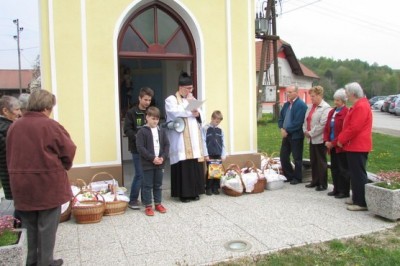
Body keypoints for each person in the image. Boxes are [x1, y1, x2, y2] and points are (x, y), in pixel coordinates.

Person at [6, 89, 76, 266]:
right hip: (47, 185)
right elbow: (69, 150)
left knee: (30, 227)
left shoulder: (14, 126)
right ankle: (46, 262)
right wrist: (63, 167)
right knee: (47, 228)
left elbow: (10, 155)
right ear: (46, 107)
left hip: (22, 186)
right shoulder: (50, 126)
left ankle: (32, 261)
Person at [165, 71, 206, 202]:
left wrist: (198, 114)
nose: (190, 90)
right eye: (188, 88)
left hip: (194, 139)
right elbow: (174, 113)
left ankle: (195, 191)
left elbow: (201, 114)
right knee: (184, 166)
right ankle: (184, 194)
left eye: (191, 88)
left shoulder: (192, 99)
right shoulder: (171, 99)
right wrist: (190, 110)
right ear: (181, 87)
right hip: (181, 140)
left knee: (194, 165)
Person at [337, 82, 372, 211]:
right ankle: (356, 196)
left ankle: (361, 202)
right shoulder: (358, 105)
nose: (346, 95)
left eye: (346, 93)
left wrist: (341, 139)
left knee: (358, 174)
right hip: (354, 146)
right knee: (354, 173)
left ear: (352, 93)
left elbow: (354, 127)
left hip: (358, 146)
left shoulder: (361, 106)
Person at [136, 106, 170, 216]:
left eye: (157, 119)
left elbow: (166, 145)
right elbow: (140, 148)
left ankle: (158, 203)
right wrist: (152, 158)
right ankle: (148, 206)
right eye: (152, 118)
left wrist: (162, 158)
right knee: (147, 185)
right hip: (148, 164)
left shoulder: (162, 131)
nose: (155, 121)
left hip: (160, 163)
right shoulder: (142, 131)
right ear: (147, 118)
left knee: (158, 185)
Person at [124, 87, 154, 210]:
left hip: (150, 149)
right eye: (145, 99)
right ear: (139, 98)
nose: (147, 102)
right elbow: (127, 130)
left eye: (149, 100)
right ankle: (133, 200)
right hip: (137, 149)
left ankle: (146, 199)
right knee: (139, 174)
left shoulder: (151, 112)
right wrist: (138, 137)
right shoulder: (131, 112)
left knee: (147, 174)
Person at [303, 86, 331, 191]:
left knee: (321, 161)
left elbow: (322, 124)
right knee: (313, 161)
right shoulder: (310, 107)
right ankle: (314, 181)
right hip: (311, 138)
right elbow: (306, 120)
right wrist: (305, 130)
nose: (311, 98)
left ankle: (322, 183)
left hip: (319, 139)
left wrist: (311, 133)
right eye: (311, 96)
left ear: (319, 95)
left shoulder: (325, 108)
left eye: (313, 96)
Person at [278, 85, 307, 185]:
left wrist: (287, 130)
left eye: (290, 92)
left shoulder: (301, 105)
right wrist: (281, 128)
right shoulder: (286, 105)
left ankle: (298, 177)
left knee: (297, 157)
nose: (288, 94)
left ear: (296, 93)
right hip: (286, 134)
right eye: (287, 92)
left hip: (296, 135)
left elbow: (298, 122)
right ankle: (289, 175)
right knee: (283, 156)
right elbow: (281, 117)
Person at [323, 88, 350, 198]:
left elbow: (344, 131)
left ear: (343, 101)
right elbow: (327, 127)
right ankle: (336, 188)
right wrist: (326, 140)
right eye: (335, 100)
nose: (335, 102)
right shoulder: (332, 112)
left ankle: (344, 190)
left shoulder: (346, 112)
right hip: (331, 144)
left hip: (340, 145)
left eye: (338, 100)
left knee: (342, 168)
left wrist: (333, 142)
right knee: (334, 167)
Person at [0, 96, 22, 222]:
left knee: (18, 204)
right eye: (17, 109)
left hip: (9, 171)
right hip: (10, 172)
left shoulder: (8, 126)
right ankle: (18, 227)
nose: (19, 113)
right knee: (19, 205)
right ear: (5, 111)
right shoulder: (6, 129)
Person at [203, 110, 226, 196]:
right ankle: (208, 188)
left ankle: (215, 187)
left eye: (219, 122)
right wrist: (206, 154)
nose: (217, 123)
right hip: (209, 153)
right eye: (216, 121)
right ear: (212, 118)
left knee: (217, 171)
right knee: (210, 170)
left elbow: (223, 142)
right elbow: (203, 141)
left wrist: (223, 154)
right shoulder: (205, 128)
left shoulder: (220, 129)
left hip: (218, 153)